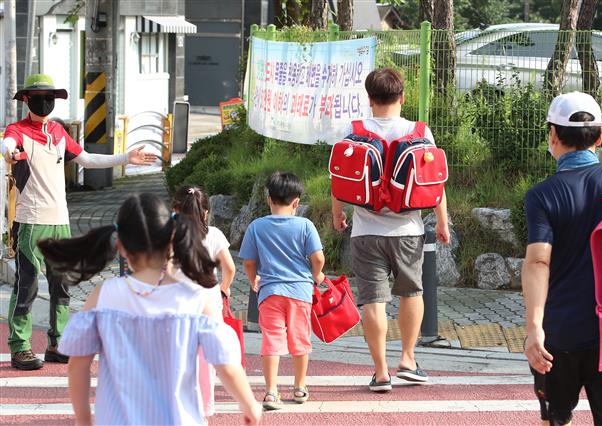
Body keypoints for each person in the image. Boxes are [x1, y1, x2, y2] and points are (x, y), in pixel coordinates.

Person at [38, 193, 262, 425]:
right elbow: (227, 366)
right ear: (170, 239)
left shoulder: (103, 296)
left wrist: (83, 420)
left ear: (121, 246)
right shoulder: (195, 298)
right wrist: (249, 405)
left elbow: (78, 366)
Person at [2, 74, 156, 370]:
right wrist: (9, 152)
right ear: (25, 99)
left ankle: (58, 343)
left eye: (49, 96)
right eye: (38, 96)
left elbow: (86, 159)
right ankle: (20, 346)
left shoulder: (58, 132)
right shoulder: (18, 130)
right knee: (27, 285)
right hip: (31, 221)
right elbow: (7, 145)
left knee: (61, 285)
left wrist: (126, 157)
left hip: (60, 220)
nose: (44, 101)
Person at [522, 91, 602, 425]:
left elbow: (538, 263)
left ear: (553, 135)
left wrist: (534, 329)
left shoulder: (542, 196)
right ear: (600, 137)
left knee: (556, 417)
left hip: (560, 334)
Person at [331, 68, 450, 392]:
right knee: (412, 293)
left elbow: (340, 179)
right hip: (408, 229)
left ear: (369, 99)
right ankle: (408, 360)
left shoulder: (352, 130)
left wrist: (338, 214)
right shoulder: (419, 131)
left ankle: (381, 372)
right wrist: (441, 221)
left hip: (365, 231)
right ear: (403, 97)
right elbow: (433, 181)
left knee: (373, 301)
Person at [239, 171, 325, 410]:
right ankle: (299, 387)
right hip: (300, 292)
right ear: (296, 202)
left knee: (272, 340)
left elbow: (248, 261)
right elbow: (317, 257)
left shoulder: (257, 226)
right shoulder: (305, 225)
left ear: (269, 199)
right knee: (300, 338)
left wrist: (252, 279)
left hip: (270, 293)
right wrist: (316, 275)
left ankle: (270, 392)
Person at [172, 185, 237, 418]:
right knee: (205, 361)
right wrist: (224, 289)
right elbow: (229, 268)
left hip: (177, 306)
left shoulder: (169, 235)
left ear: (175, 209)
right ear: (206, 212)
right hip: (209, 304)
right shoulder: (215, 235)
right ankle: (202, 410)